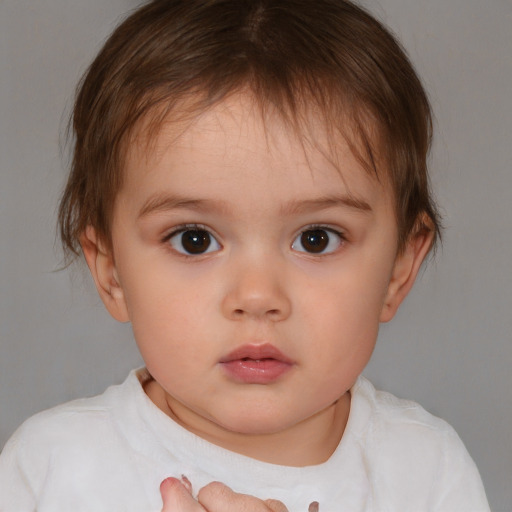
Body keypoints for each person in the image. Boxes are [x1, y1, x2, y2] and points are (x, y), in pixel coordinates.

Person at [0, 0, 490, 510]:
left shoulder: (426, 470)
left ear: (397, 270)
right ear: (111, 270)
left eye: (317, 238)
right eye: (194, 239)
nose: (257, 297)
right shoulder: (52, 469)